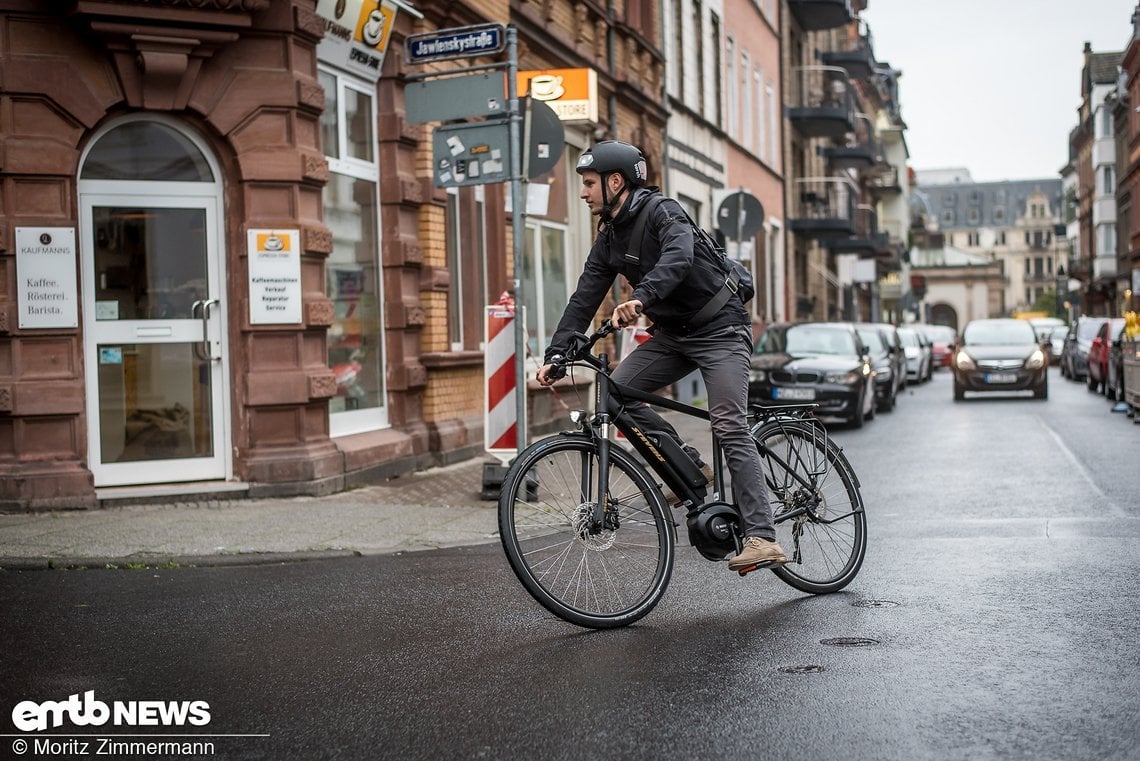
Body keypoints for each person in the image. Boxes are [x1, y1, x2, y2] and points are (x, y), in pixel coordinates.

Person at [535, 140, 786, 571]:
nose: (583, 193)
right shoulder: (609, 237)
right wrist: (557, 353)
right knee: (616, 392)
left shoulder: (663, 211)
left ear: (616, 182)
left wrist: (642, 298)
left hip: (722, 328)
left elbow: (679, 257)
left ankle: (762, 535)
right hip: (674, 335)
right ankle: (689, 466)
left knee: (728, 422)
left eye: (589, 183)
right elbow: (584, 296)